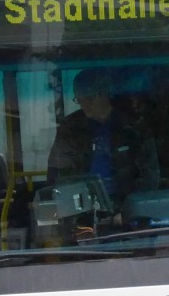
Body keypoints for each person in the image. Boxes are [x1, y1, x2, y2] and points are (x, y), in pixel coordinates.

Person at [47, 68, 160, 204]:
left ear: (106, 93)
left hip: (126, 203)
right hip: (81, 204)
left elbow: (149, 177)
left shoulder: (133, 127)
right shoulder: (71, 128)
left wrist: (132, 207)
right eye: (79, 99)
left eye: (90, 97)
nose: (85, 104)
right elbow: (58, 172)